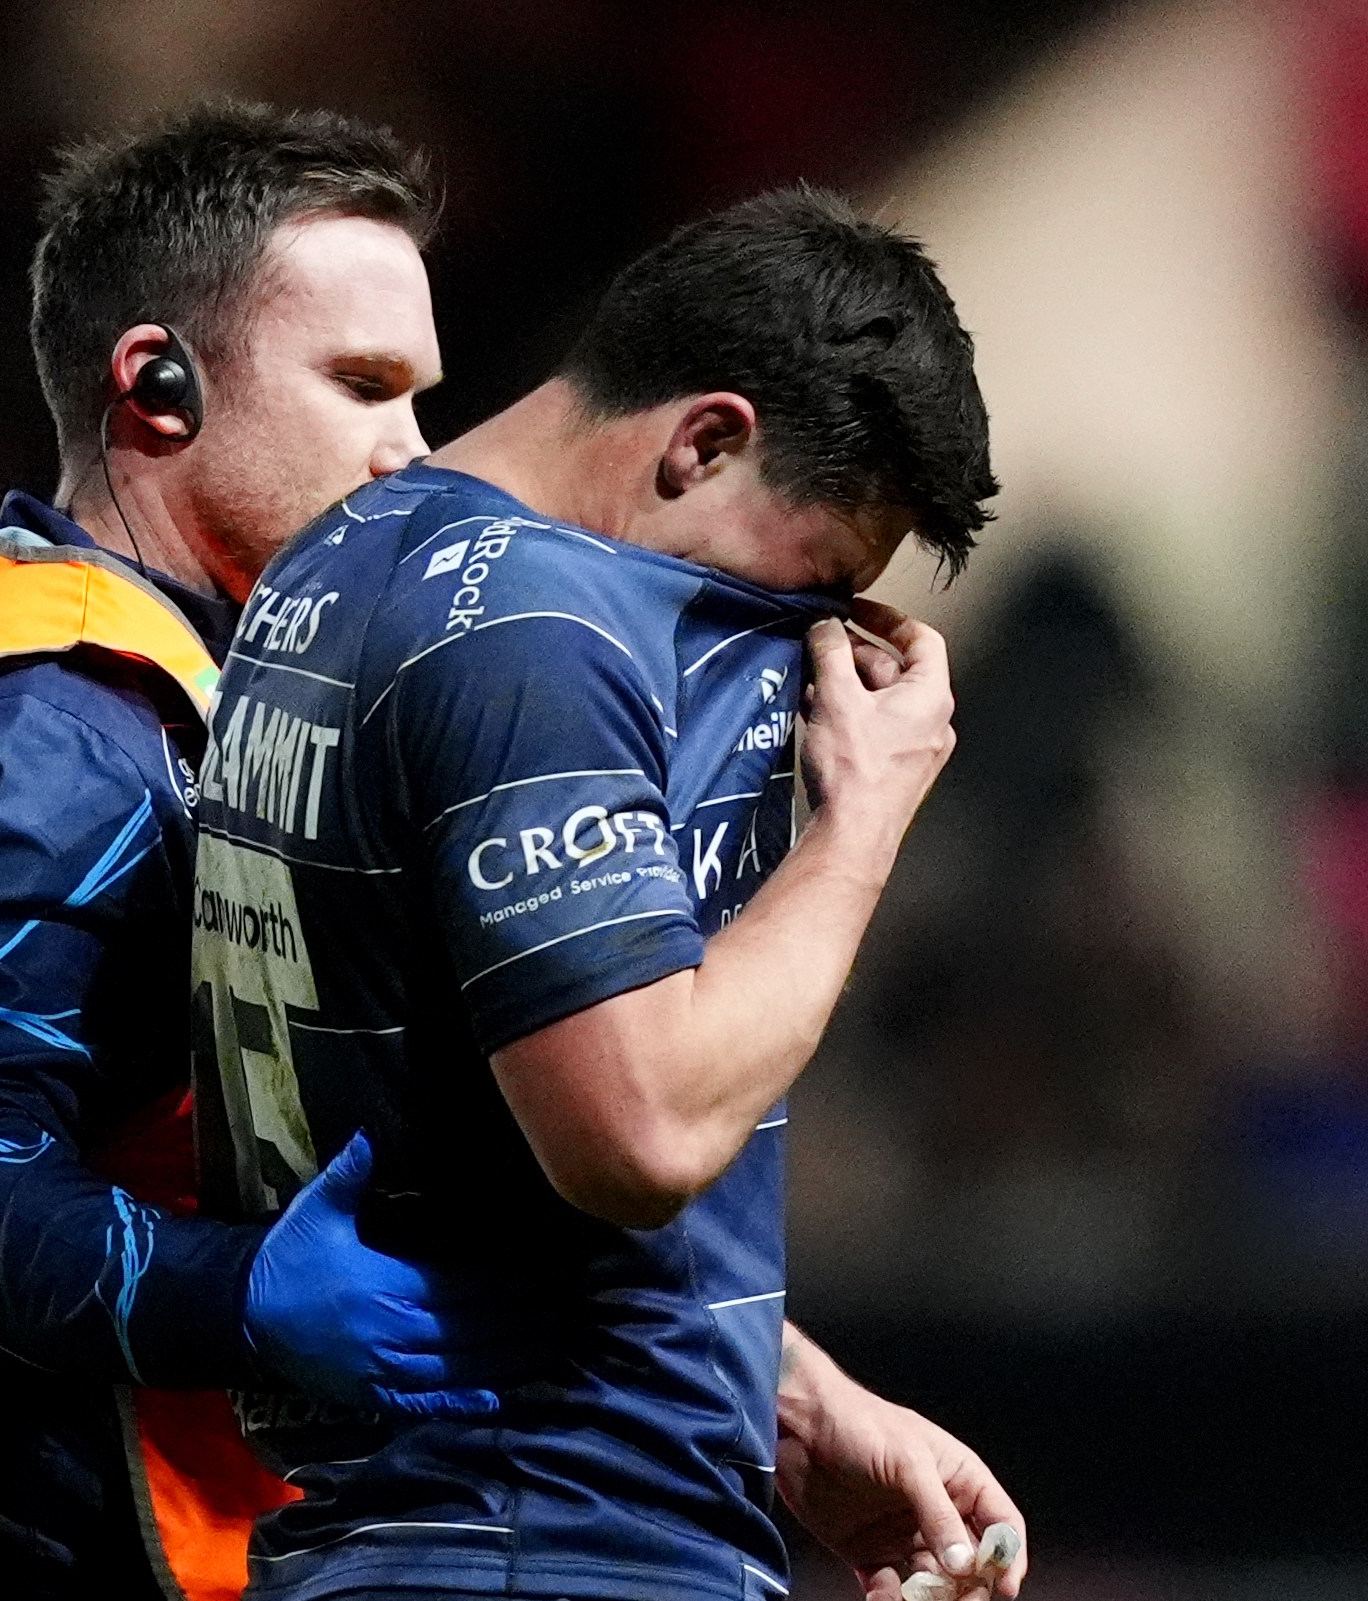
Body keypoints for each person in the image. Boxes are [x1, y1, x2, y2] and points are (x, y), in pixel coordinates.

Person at [0, 102, 538, 1601]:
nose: (410, 457)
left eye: (419, 398)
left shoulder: (174, 692)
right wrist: (245, 1298)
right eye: (360, 386)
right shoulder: (43, 720)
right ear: (154, 384)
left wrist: (781, 1398)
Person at [190, 187, 1031, 1601]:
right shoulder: (537, 625)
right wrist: (862, 817)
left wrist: (776, 1388)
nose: (794, 651)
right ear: (701, 441)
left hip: (408, 1534)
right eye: (803, 589)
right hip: (544, 1544)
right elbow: (630, 1131)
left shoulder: (325, 569)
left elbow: (463, 1124)